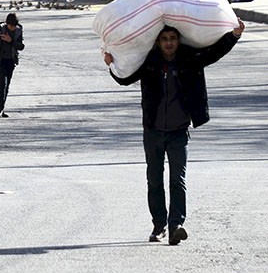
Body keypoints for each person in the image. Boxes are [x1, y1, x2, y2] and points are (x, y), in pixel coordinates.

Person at [105, 21, 244, 245]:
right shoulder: (149, 61)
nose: (169, 43)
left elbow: (214, 52)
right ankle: (159, 225)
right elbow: (126, 77)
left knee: (177, 180)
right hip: (153, 131)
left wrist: (234, 35)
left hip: (179, 131)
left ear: (178, 40)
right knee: (154, 179)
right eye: (164, 39)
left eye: (172, 39)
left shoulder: (189, 59)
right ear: (158, 42)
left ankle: (175, 225)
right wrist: (112, 65)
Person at [0, 13, 24, 118]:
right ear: (7, 23)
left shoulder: (18, 32)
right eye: (10, 26)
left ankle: (2, 108)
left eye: (14, 26)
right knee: (2, 83)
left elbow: (21, 46)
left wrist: (10, 41)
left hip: (11, 61)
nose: (12, 28)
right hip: (0, 60)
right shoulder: (0, 31)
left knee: (7, 85)